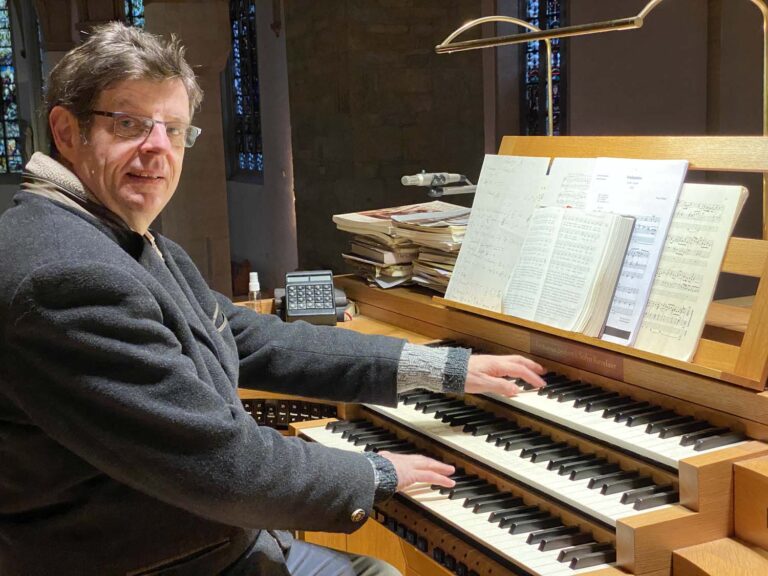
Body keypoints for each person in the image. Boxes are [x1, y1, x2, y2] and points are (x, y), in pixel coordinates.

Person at [0, 22, 546, 576]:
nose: (158, 149)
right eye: (129, 124)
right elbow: (222, 464)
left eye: (174, 129)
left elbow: (243, 334)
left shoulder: (112, 237)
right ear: (67, 132)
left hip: (206, 539)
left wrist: (440, 367)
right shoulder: (65, 275)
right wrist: (374, 473)